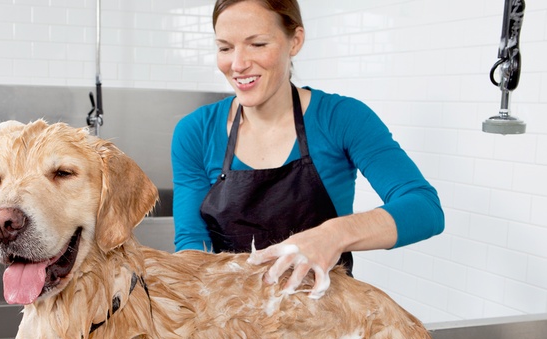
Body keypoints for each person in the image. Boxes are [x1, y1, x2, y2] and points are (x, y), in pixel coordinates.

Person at [171, 0, 444, 297]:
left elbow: (424, 208)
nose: (237, 64)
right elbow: (192, 245)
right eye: (225, 48)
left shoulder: (341, 118)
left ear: (295, 41)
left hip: (324, 326)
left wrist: (332, 235)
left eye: (258, 44)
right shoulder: (196, 131)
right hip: (231, 323)